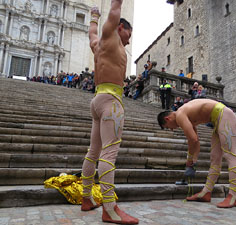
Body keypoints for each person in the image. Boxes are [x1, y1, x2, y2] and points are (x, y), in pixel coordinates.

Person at [81, 2, 138, 224]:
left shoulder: (98, 43)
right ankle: (109, 208)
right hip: (111, 101)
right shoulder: (113, 34)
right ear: (120, 27)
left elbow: (91, 33)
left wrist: (93, 16)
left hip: (97, 100)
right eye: (129, 34)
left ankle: (86, 199)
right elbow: (115, 8)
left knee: (93, 152)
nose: (129, 40)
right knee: (108, 154)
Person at [157, 99, 236, 208]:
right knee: (215, 158)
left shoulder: (180, 115)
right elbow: (195, 140)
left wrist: (189, 159)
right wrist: (193, 159)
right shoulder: (185, 114)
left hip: (225, 115)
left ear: (167, 119)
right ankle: (206, 192)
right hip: (220, 119)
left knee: (230, 155)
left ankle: (233, 196)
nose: (172, 129)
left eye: (168, 127)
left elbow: (193, 140)